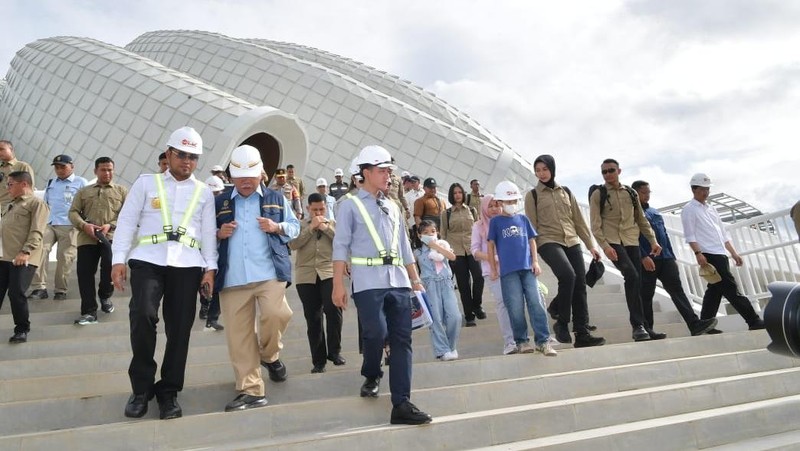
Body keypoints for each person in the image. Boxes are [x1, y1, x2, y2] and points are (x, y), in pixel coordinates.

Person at [112, 126, 218, 420]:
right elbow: (126, 223)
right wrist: (117, 260)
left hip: (187, 264)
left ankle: (169, 391)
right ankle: (141, 389)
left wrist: (210, 268)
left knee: (180, 329)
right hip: (148, 260)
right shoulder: (145, 184)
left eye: (193, 157)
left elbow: (209, 233)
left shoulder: (204, 193)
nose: (186, 161)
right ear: (169, 154)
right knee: (143, 315)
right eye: (181, 154)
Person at [332, 144, 432, 425]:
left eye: (390, 170)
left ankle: (401, 403)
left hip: (398, 280)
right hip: (367, 282)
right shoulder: (348, 205)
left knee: (402, 340)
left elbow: (404, 246)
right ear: (365, 173)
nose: (389, 175)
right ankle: (372, 373)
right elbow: (340, 246)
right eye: (382, 170)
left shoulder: (393, 206)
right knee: (375, 333)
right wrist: (337, 285)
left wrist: (415, 280)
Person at [214, 144, 300, 412]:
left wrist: (277, 227)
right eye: (240, 178)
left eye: (251, 177)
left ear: (261, 173)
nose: (246, 183)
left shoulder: (276, 197)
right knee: (239, 337)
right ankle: (251, 390)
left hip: (269, 273)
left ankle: (270, 355)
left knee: (278, 314)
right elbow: (202, 234)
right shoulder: (219, 202)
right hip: (232, 278)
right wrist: (218, 234)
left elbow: (295, 227)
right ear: (231, 178)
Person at [525, 155, 605, 348]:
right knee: (568, 275)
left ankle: (582, 333)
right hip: (547, 240)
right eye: (538, 170)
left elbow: (578, 220)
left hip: (571, 240)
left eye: (544, 169)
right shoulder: (533, 195)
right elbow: (531, 227)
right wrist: (532, 256)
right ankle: (562, 321)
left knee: (580, 284)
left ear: (552, 169)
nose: (541, 173)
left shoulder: (566, 192)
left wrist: (591, 245)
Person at [680, 173, 765, 332]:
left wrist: (733, 253)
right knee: (731, 289)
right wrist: (698, 253)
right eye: (703, 189)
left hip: (720, 254)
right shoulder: (689, 210)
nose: (706, 192)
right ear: (694, 189)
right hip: (708, 254)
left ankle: (705, 325)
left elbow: (723, 234)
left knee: (715, 291)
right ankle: (753, 321)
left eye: (708, 189)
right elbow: (690, 235)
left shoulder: (711, 208)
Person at [631, 180, 718, 337]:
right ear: (635, 193)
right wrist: (643, 256)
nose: (647, 195)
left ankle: (694, 324)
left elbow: (664, 235)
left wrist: (672, 256)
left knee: (677, 291)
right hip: (648, 260)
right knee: (646, 295)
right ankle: (647, 329)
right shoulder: (632, 213)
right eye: (644, 192)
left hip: (666, 259)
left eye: (649, 192)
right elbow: (631, 237)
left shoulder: (655, 212)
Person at [589, 158, 662, 342]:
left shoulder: (630, 193)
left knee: (637, 282)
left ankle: (645, 326)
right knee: (632, 275)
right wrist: (605, 246)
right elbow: (595, 225)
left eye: (611, 170)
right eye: (604, 172)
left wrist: (653, 240)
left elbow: (641, 220)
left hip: (632, 241)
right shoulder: (599, 193)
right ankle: (637, 326)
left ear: (619, 171)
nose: (607, 174)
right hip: (613, 241)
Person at [487, 180, 556, 356]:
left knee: (536, 303)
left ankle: (543, 341)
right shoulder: (495, 222)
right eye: (508, 201)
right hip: (508, 272)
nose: (512, 205)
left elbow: (532, 241)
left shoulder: (523, 219)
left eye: (514, 201)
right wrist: (493, 269)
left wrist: (535, 261)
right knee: (515, 306)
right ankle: (522, 341)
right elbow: (490, 246)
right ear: (500, 202)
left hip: (528, 269)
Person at [69, 157, 128, 325]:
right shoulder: (83, 191)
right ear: (95, 171)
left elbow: (127, 215)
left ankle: (105, 295)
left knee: (108, 269)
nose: (107, 173)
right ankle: (89, 311)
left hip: (111, 239)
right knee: (85, 274)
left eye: (110, 169)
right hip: (86, 238)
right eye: (103, 170)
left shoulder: (121, 191)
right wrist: (84, 225)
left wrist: (110, 225)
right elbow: (73, 212)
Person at [289, 192, 343, 374]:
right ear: (307, 209)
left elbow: (342, 242)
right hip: (306, 275)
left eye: (321, 209)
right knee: (313, 318)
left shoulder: (333, 225)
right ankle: (318, 361)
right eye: (314, 210)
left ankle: (334, 352)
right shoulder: (299, 225)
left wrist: (325, 227)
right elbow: (293, 244)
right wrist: (311, 228)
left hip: (328, 272)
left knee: (333, 310)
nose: (318, 212)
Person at [29, 154, 88, 301]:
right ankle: (39, 287)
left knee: (64, 257)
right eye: (57, 167)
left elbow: (87, 203)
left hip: (69, 225)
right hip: (49, 223)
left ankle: (60, 290)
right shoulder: (51, 182)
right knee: (39, 251)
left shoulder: (81, 182)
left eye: (63, 166)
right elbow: (46, 203)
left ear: (71, 166)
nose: (59, 170)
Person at [0, 171, 49, 343]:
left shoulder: (36, 203)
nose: (7, 188)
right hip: (4, 257)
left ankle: (21, 329)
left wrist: (26, 251)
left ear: (24, 184)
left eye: (10, 184)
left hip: (23, 258)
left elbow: (37, 231)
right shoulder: (10, 205)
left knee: (16, 293)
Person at [471, 195, 517, 355]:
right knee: (502, 302)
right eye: (490, 206)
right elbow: (475, 251)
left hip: (512, 268)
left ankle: (520, 338)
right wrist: (494, 258)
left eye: (497, 205)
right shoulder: (478, 226)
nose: (494, 209)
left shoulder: (507, 221)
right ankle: (509, 341)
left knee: (516, 302)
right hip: (491, 271)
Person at [412, 220, 462, 360]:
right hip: (429, 284)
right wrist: (415, 282)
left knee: (455, 316)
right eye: (426, 232)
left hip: (446, 282)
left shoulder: (443, 245)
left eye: (433, 232)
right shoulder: (418, 251)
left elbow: (452, 257)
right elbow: (410, 265)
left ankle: (451, 347)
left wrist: (435, 246)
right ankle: (442, 349)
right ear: (419, 235)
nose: (430, 235)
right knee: (436, 318)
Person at [440, 182, 484, 326]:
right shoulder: (446, 213)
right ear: (451, 196)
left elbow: (478, 229)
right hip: (456, 252)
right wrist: (447, 252)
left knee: (479, 276)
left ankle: (476, 305)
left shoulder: (471, 210)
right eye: (455, 193)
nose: (458, 195)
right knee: (463, 284)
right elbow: (443, 234)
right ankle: (469, 315)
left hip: (472, 248)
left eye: (460, 192)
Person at [199, 175, 226, 331]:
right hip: (200, 249)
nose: (215, 197)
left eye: (217, 193)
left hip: (219, 250)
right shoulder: (198, 205)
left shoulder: (224, 205)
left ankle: (212, 317)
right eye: (212, 193)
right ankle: (204, 307)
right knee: (203, 281)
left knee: (218, 284)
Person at [0, 140, 35, 209]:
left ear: (11, 150)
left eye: (2, 149)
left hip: (14, 209)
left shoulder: (22, 166)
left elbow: (29, 190)